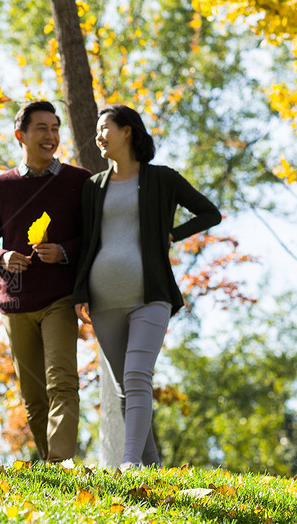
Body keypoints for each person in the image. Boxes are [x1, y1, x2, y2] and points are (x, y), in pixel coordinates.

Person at [73, 104, 222, 470]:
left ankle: (128, 462)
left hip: (150, 295)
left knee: (138, 375)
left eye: (105, 127)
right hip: (103, 300)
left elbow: (209, 212)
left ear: (127, 131)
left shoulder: (162, 179)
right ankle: (151, 467)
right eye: (97, 129)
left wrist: (173, 234)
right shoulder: (94, 186)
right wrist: (80, 293)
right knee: (127, 385)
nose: (99, 135)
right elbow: (86, 241)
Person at [0, 101, 91, 463]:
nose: (51, 135)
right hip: (15, 303)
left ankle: (62, 463)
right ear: (20, 135)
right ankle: (53, 470)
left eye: (55, 128)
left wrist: (64, 251)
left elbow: (93, 234)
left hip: (60, 297)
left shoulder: (79, 180)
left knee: (62, 382)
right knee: (34, 396)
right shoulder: (0, 187)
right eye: (41, 128)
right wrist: (2, 257)